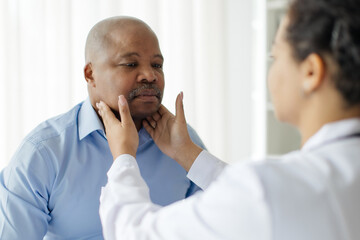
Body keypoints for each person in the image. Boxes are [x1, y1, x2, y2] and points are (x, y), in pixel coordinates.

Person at [97, 0, 360, 239]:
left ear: (311, 71)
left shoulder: (269, 190)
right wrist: (187, 153)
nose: (149, 76)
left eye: (276, 57)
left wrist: (123, 158)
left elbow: (133, 233)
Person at [0, 16, 206, 239]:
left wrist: (188, 153)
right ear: (90, 74)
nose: (150, 75)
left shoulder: (185, 143)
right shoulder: (44, 153)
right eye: (131, 64)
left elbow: (225, 222)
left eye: (157, 65)